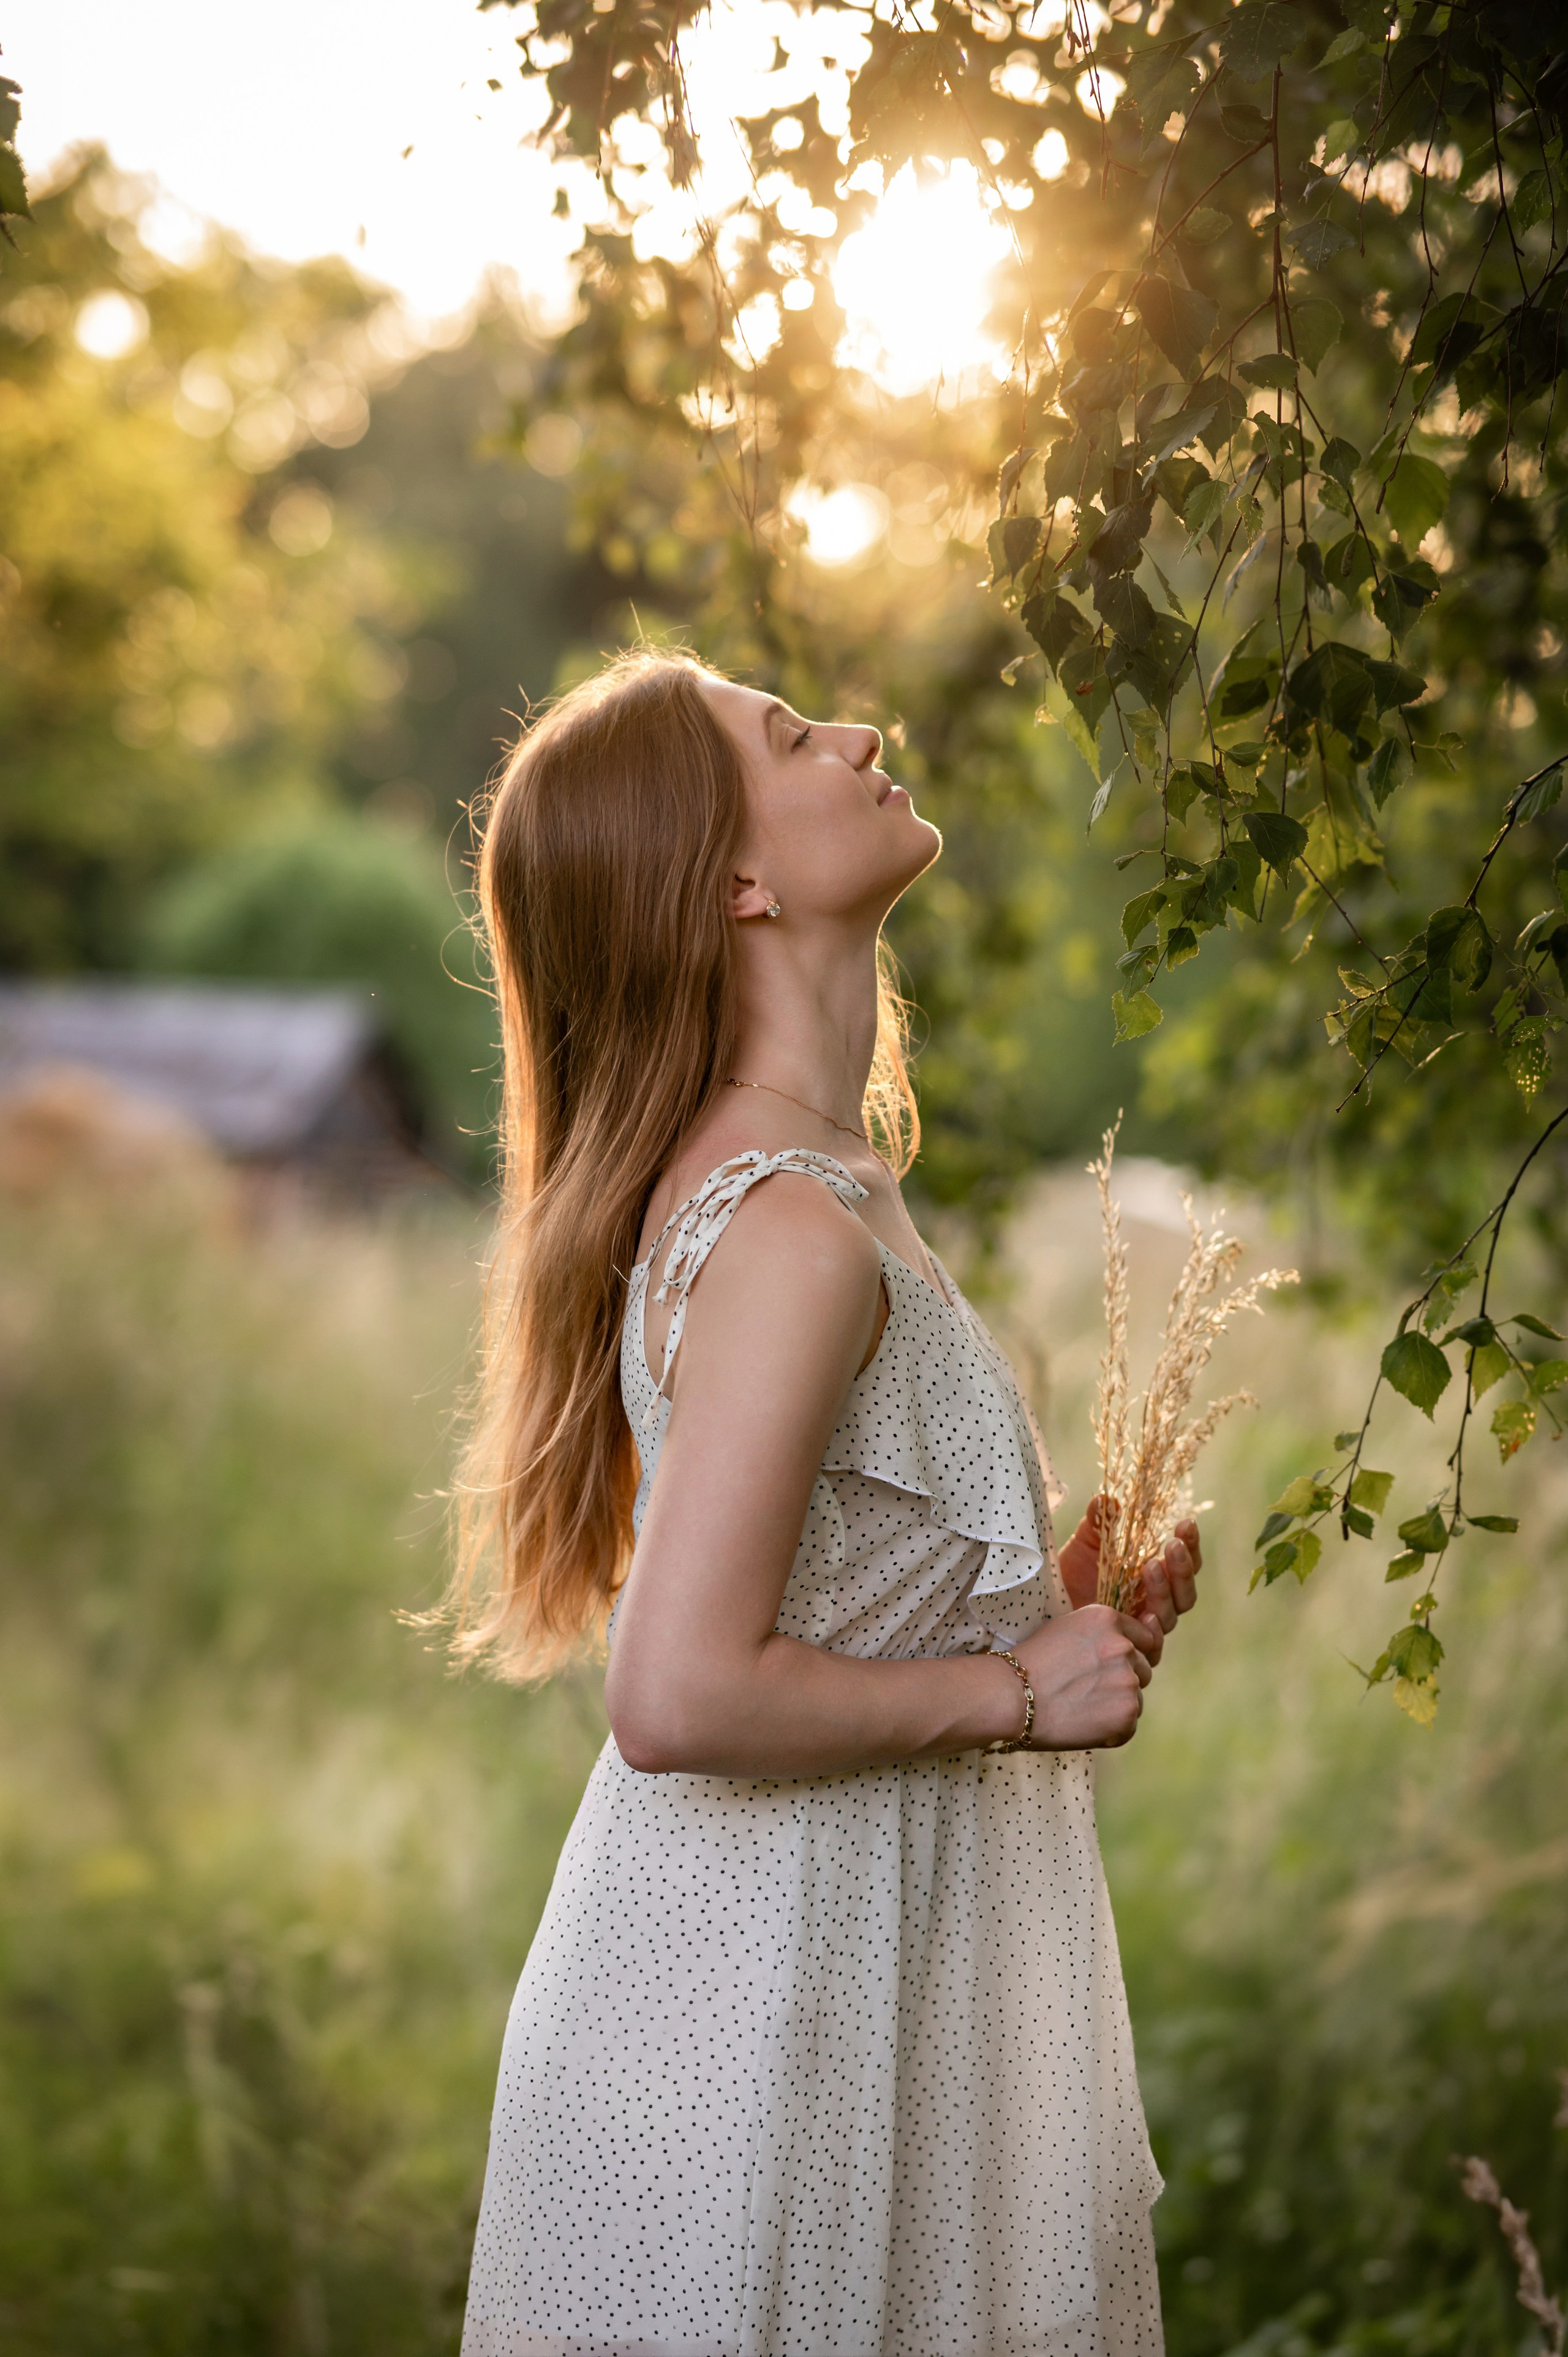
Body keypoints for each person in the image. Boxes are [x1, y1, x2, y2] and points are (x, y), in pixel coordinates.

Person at [447, 647, 1201, 2357]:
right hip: (750, 2031)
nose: (862, 737)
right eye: (794, 740)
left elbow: (811, 1593)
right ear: (736, 879)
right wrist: (1015, 1695)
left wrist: (1037, 1613)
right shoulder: (788, 1221)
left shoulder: (823, 1182)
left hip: (832, 1998)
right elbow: (677, 1691)